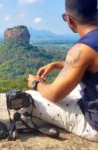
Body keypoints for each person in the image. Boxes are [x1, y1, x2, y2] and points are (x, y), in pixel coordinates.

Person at [27, 0, 98, 142]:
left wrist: (35, 84)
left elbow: (54, 95)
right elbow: (90, 64)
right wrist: (57, 64)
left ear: (70, 20)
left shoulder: (82, 49)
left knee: (27, 98)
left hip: (95, 125)